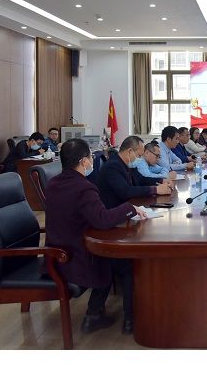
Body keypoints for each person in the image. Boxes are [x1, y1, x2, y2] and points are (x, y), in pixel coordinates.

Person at [45, 138, 146, 335]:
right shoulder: (83, 187)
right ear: (84, 161)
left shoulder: (53, 183)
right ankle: (128, 320)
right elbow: (102, 220)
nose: (92, 161)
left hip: (56, 251)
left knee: (111, 260)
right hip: (76, 255)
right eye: (91, 157)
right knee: (124, 263)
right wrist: (130, 208)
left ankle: (95, 314)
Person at [96, 136, 173, 209]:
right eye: (139, 155)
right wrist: (155, 190)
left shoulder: (128, 164)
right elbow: (126, 191)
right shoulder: (112, 166)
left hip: (128, 205)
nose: (140, 159)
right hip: (114, 210)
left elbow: (141, 180)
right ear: (130, 151)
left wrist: (162, 180)